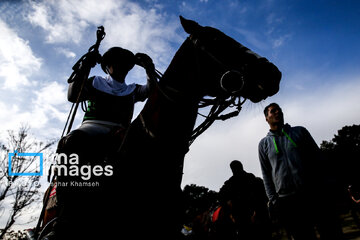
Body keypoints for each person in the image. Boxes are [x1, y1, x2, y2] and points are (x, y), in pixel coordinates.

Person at [47, 47, 157, 240]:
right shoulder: (95, 82)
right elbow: (73, 96)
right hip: (93, 126)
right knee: (71, 143)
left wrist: (149, 69)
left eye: (125, 64)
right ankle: (62, 218)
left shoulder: (132, 89)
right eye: (116, 63)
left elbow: (153, 91)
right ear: (107, 67)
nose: (121, 67)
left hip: (121, 131)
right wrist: (84, 66)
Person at [258, 102, 342, 240]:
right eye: (273, 111)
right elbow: (266, 174)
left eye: (279, 110)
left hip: (313, 193)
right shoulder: (263, 144)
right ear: (266, 118)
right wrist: (274, 200)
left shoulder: (299, 132)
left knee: (331, 233)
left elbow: (318, 158)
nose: (278, 112)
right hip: (288, 201)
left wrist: (327, 184)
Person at [218, 160, 271, 240]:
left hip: (245, 219)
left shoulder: (229, 185)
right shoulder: (255, 180)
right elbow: (265, 196)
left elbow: (221, 199)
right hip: (252, 218)